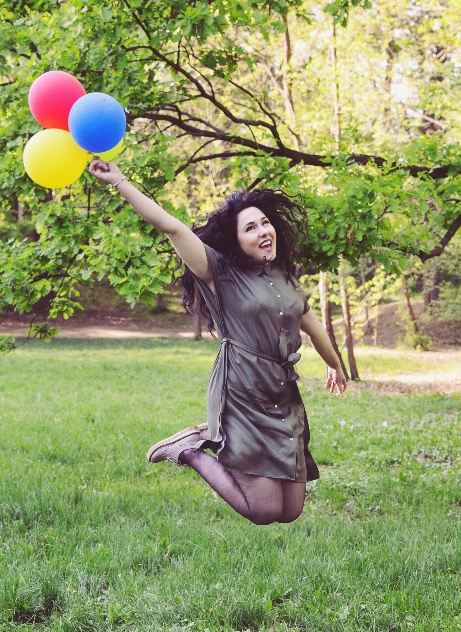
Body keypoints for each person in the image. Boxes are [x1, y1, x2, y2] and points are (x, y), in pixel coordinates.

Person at [89, 159, 347, 525]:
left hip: (282, 392)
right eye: (251, 227)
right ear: (237, 240)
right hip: (241, 389)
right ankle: (189, 451)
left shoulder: (284, 277)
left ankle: (207, 438)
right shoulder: (219, 272)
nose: (263, 231)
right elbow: (171, 227)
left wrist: (334, 363)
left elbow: (314, 326)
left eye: (266, 223)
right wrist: (120, 182)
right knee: (263, 510)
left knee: (290, 511)